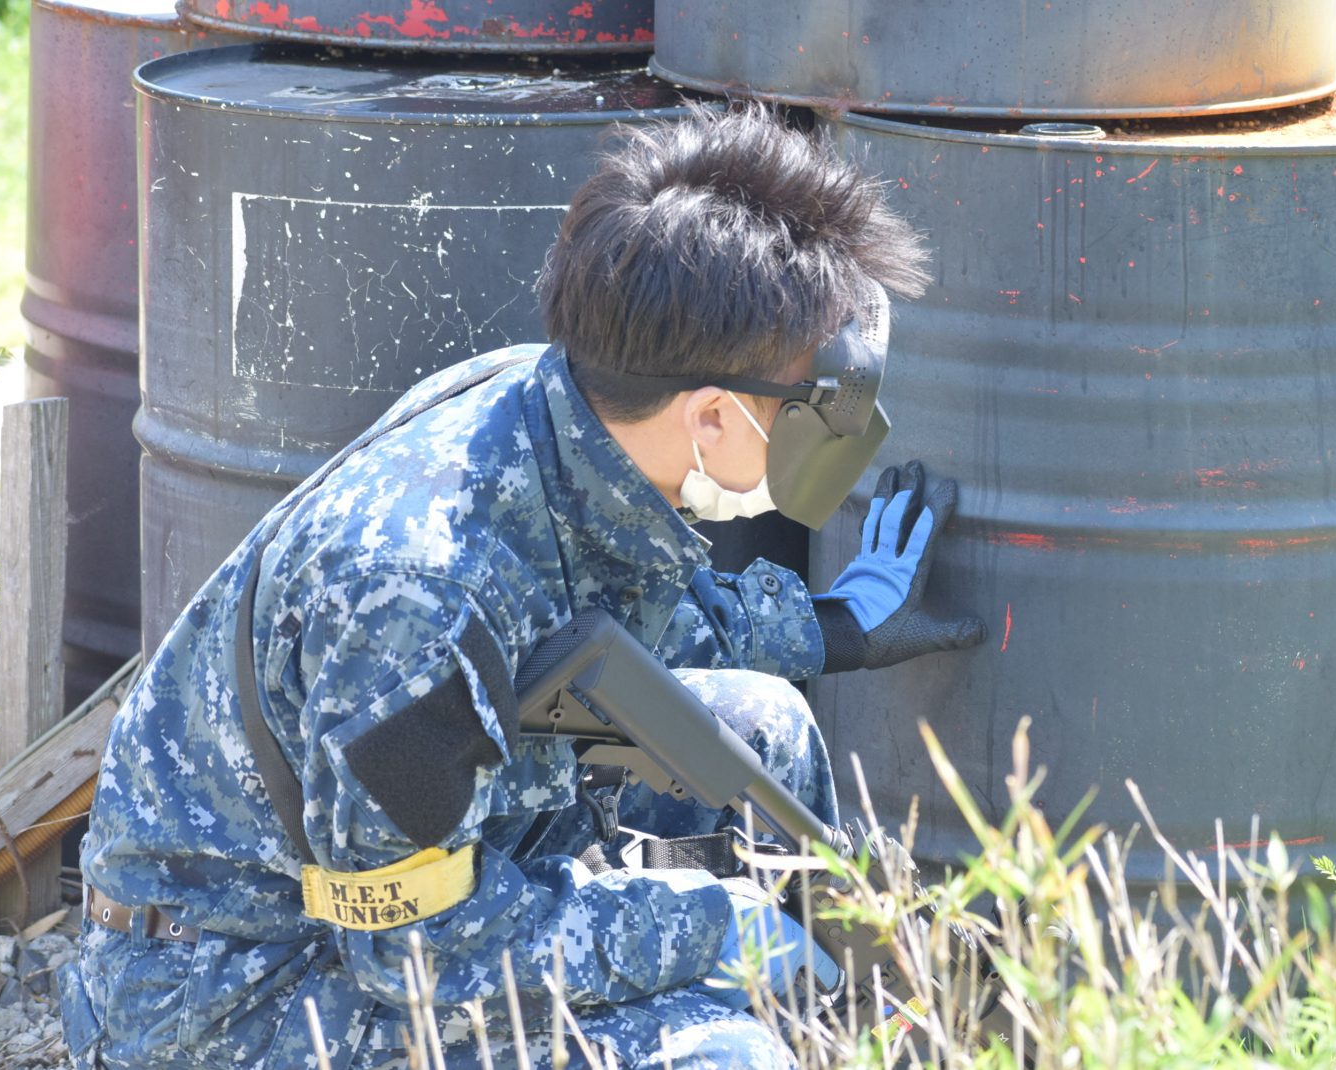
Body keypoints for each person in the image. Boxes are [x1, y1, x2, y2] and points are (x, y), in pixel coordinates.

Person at [59, 105, 984, 1070]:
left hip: (367, 883)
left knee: (762, 731)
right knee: (721, 1056)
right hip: (234, 990)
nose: (826, 428)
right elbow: (417, 951)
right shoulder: (415, 599)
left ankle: (831, 1028)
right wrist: (708, 930)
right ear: (711, 416)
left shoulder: (561, 407)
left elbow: (604, 618)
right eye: (807, 404)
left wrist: (832, 625)